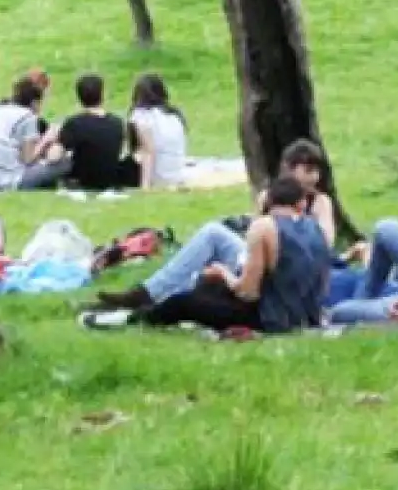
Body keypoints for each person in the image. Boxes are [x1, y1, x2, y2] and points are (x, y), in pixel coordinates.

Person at [91, 140, 335, 312]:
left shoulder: (320, 203)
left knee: (212, 247)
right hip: (257, 255)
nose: (314, 178)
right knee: (211, 235)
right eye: (308, 170)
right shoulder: (269, 197)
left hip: (287, 265)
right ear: (289, 169)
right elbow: (254, 235)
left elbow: (325, 244)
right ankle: (149, 294)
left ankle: (152, 297)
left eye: (316, 171)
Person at [89, 176, 329, 334]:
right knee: (208, 289)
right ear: (300, 203)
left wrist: (223, 273)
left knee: (184, 302)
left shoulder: (264, 227)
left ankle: (129, 319)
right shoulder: (316, 228)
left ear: (269, 200)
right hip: (307, 315)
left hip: (271, 319)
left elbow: (247, 292)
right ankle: (142, 300)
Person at [0, 76, 69, 191]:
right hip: (9, 180)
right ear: (35, 103)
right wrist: (47, 139)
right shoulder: (27, 117)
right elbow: (28, 159)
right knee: (63, 163)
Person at [43, 74, 130, 192]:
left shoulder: (74, 123)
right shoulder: (117, 123)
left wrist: (52, 138)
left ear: (79, 97)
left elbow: (53, 158)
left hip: (81, 182)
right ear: (102, 94)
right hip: (110, 181)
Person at [126, 73, 188, 189]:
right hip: (177, 175)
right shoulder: (174, 115)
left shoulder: (141, 115)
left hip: (158, 176)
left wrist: (145, 185)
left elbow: (148, 151)